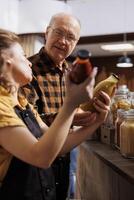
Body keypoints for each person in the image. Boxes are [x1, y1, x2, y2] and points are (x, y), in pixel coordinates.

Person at [0, 28, 110, 200]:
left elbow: (57, 146)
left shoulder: (22, 102)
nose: (29, 62)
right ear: (6, 62)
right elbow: (40, 156)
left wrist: (97, 120)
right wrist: (70, 104)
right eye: (22, 56)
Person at [22, 12, 89, 199]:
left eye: (70, 37)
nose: (63, 41)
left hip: (67, 156)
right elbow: (27, 121)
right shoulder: (27, 70)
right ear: (47, 33)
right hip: (36, 159)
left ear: (76, 43)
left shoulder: (72, 72)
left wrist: (85, 113)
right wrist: (68, 117)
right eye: (59, 33)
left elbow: (76, 109)